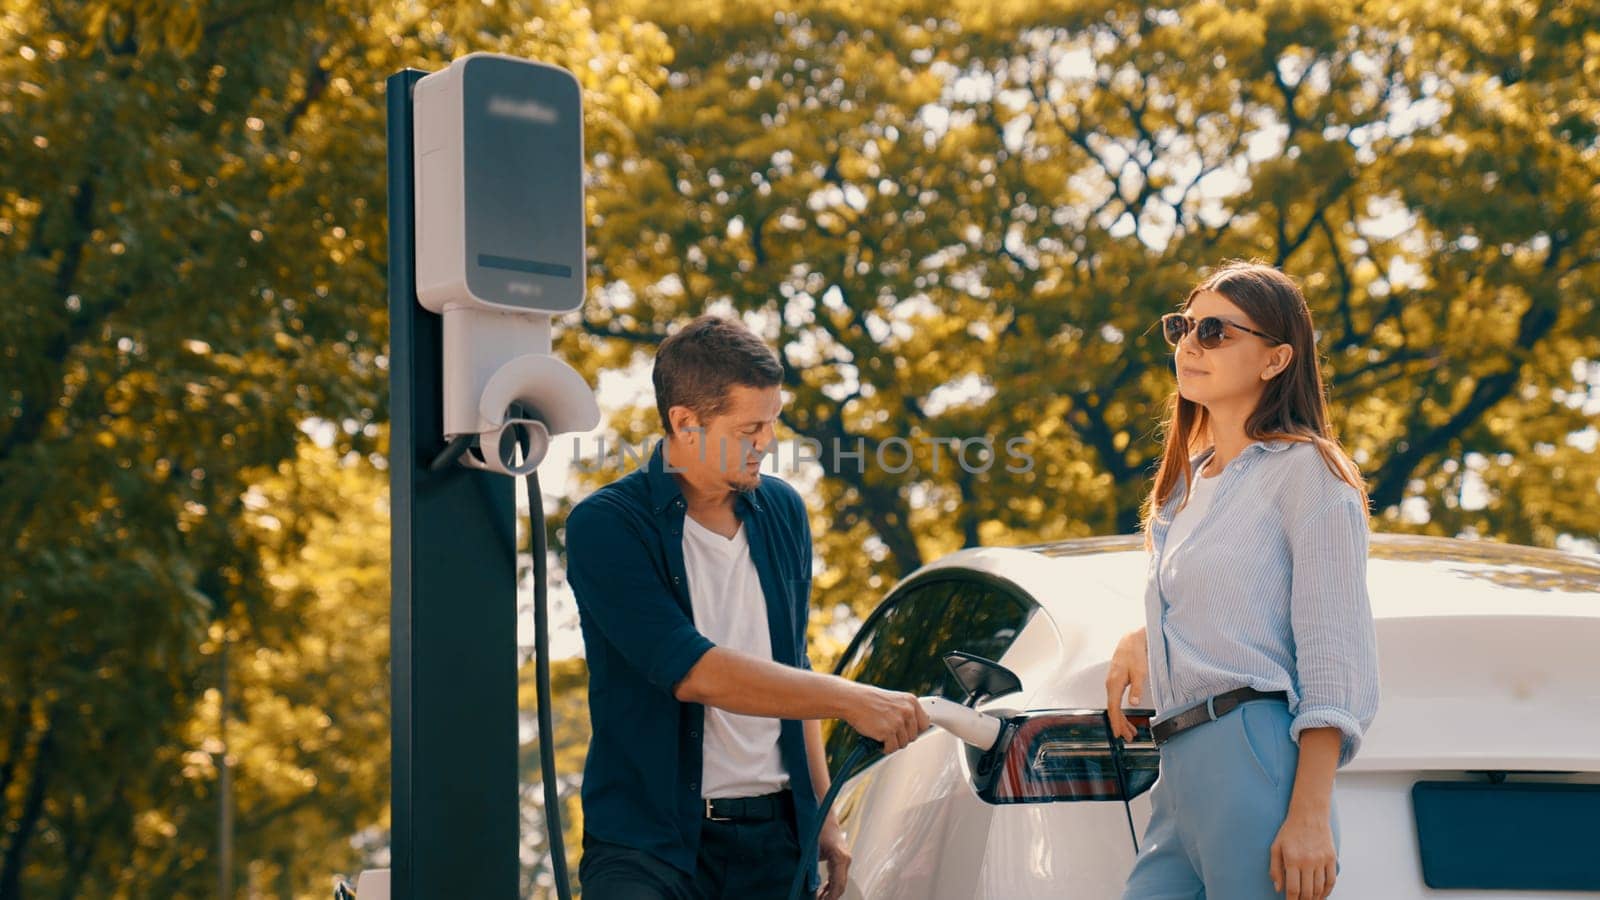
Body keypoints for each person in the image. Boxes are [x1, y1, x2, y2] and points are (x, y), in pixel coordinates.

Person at [564, 314, 930, 900]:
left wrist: (824, 819)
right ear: (684, 422)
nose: (768, 442)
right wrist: (851, 700)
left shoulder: (783, 510)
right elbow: (692, 671)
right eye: (749, 428)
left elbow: (791, 662)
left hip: (775, 843)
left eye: (772, 422)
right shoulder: (606, 526)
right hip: (648, 851)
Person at [1105, 261, 1381, 900]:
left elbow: (1333, 652)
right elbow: (1224, 601)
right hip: (1178, 773)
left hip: (1252, 754)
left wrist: (1309, 814)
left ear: (1275, 359)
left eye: (1215, 331)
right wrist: (1141, 636)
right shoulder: (1182, 490)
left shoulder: (1307, 473)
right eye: (1183, 326)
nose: (1189, 344)